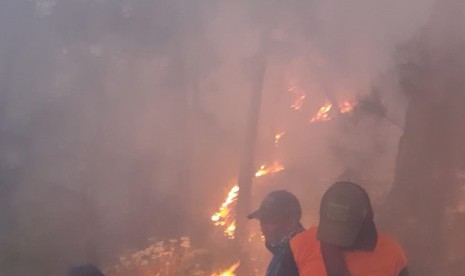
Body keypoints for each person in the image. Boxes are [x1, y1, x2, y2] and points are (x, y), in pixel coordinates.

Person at [290, 181, 408, 276]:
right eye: (332, 228)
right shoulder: (300, 246)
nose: (336, 238)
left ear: (364, 220)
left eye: (343, 231)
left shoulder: (392, 255)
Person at [248, 190, 305, 276]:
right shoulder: (281, 255)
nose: (263, 228)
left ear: (291, 222)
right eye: (262, 221)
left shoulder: (304, 254)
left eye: (270, 221)